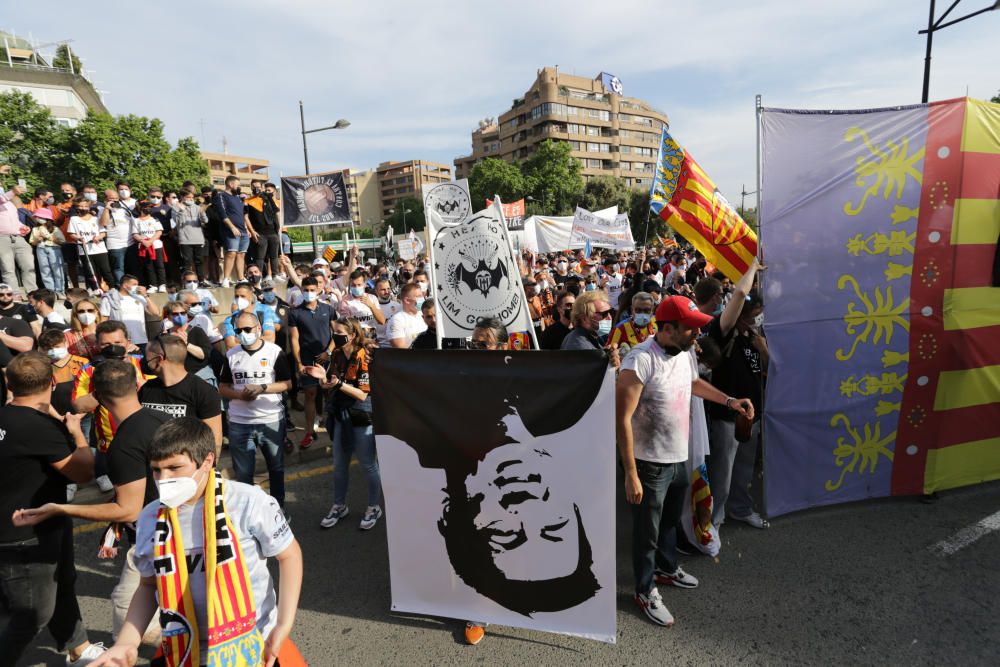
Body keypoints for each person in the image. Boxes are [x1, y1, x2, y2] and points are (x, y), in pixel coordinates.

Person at [90, 418, 303, 667]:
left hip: (252, 644)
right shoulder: (150, 517)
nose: (163, 479)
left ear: (207, 462)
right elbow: (149, 585)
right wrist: (126, 642)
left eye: (175, 467)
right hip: (185, 651)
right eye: (156, 470)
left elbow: (289, 555)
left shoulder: (247, 502)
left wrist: (283, 624)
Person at [616, 295, 754, 627]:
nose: (696, 335)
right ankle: (644, 590)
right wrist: (631, 473)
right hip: (648, 463)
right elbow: (621, 419)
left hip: (678, 456)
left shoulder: (685, 353)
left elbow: (692, 384)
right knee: (646, 532)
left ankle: (666, 569)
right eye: (690, 328)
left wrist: (729, 400)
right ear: (667, 328)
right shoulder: (639, 361)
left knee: (668, 522)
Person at [17, 359, 170, 648]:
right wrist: (74, 432)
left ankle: (187, 646)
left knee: (126, 616)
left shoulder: (123, 445)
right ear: (137, 385)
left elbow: (128, 509)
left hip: (156, 540)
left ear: (97, 397)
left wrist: (61, 508)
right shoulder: (158, 419)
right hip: (177, 531)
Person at [1, 353, 104, 666]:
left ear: (9, 383)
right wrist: (76, 434)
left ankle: (79, 647)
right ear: (52, 382)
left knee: (63, 581)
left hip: (40, 523)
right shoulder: (42, 428)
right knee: (31, 614)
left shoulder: (9, 417)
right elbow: (82, 473)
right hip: (28, 534)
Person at [303, 318, 382, 531]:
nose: (334, 336)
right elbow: (331, 383)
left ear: (352, 334)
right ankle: (339, 505)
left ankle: (374, 506)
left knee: (367, 464)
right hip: (340, 415)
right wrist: (323, 379)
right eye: (333, 331)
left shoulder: (363, 356)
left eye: (338, 332)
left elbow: (362, 395)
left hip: (361, 416)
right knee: (339, 464)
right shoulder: (337, 355)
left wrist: (337, 383)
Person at [219, 312, 293, 511]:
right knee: (243, 475)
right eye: (238, 330)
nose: (243, 334)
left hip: (270, 420)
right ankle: (249, 513)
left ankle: (278, 509)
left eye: (247, 329)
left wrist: (262, 388)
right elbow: (223, 387)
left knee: (276, 469)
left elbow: (287, 384)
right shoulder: (231, 354)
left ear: (259, 329)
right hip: (239, 423)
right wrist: (239, 395)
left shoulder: (274, 351)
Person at [72, 320, 149, 493]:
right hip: (111, 443)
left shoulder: (144, 362)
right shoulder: (89, 370)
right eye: (106, 343)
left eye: (117, 343)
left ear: (127, 342)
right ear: (98, 345)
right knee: (123, 491)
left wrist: (131, 373)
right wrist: (105, 387)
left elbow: (156, 393)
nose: (112, 347)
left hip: (147, 436)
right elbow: (79, 405)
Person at [140, 335, 223, 453]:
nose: (144, 362)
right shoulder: (146, 389)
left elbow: (214, 438)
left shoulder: (203, 391)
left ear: (159, 359)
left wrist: (210, 469)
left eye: (146, 357)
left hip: (188, 467)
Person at [288, 277, 337, 450]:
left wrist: (329, 352)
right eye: (305, 289)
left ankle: (334, 428)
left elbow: (337, 333)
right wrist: (299, 363)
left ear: (318, 290)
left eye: (311, 289)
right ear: (301, 290)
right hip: (308, 360)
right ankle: (309, 432)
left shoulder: (329, 309)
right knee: (310, 394)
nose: (308, 293)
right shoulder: (295, 313)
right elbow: (295, 339)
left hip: (328, 359)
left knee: (331, 392)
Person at [66, 194, 114, 293]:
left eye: (85, 206)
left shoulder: (95, 219)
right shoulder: (74, 219)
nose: (83, 208)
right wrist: (78, 238)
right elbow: (72, 234)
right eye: (81, 206)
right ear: (77, 207)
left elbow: (103, 232)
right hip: (85, 249)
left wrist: (98, 237)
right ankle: (95, 288)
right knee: (90, 271)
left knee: (106, 270)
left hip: (99, 249)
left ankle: (112, 288)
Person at [560, 290, 619, 368]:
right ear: (584, 318)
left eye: (610, 312)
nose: (609, 317)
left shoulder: (591, 335)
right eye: (604, 314)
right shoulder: (579, 346)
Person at [99, 275, 161, 349]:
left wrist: (145, 295)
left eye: (137, 284)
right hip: (119, 341)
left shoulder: (140, 297)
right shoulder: (110, 298)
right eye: (134, 285)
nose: (137, 287)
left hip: (141, 340)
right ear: (125, 285)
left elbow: (155, 312)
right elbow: (103, 320)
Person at [160, 301, 213, 381]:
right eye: (175, 314)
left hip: (200, 376)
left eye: (183, 313)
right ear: (169, 316)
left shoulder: (196, 331)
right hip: (176, 378)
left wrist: (186, 344)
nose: (180, 316)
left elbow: (204, 355)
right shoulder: (164, 336)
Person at [0, 176, 36, 293]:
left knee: (29, 266)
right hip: (2, 239)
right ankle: (14, 295)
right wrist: (13, 192)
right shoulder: (4, 199)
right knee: (8, 269)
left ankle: (32, 293)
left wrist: (22, 227)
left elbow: (15, 220)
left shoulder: (10, 204)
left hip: (18, 238)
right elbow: (2, 199)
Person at [215, 175, 250, 287]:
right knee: (231, 253)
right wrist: (232, 227)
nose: (239, 187)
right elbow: (222, 213)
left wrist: (247, 228)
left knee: (241, 255)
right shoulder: (221, 196)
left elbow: (242, 215)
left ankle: (240, 278)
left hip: (243, 231)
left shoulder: (238, 198)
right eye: (237, 184)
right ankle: (226, 279)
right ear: (230, 184)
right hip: (231, 230)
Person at [222, 282, 278, 349]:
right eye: (236, 296)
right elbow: (230, 346)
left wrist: (240, 341)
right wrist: (257, 340)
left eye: (243, 296)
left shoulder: (265, 310)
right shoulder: (230, 320)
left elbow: (270, 338)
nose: (239, 299)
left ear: (251, 296)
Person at [244, 181, 281, 279]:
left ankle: (275, 274)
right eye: (254, 187)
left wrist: (279, 228)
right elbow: (246, 217)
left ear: (262, 187)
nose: (257, 189)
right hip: (260, 234)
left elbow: (276, 212)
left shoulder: (268, 198)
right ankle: (258, 277)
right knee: (260, 257)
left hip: (273, 232)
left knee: (274, 256)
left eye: (259, 187)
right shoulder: (247, 201)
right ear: (251, 187)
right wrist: (252, 231)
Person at [171, 187, 208, 280]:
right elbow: (177, 222)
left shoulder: (197, 207)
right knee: (187, 262)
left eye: (192, 197)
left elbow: (206, 221)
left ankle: (201, 280)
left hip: (198, 239)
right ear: (182, 197)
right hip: (185, 240)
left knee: (199, 261)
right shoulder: (175, 207)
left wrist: (202, 212)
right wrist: (181, 211)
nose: (191, 199)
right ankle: (187, 281)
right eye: (188, 197)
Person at [27, 207, 66, 293]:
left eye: (39, 217)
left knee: (57, 270)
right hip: (40, 249)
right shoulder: (35, 229)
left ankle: (60, 290)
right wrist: (38, 239)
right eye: (37, 217)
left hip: (53, 249)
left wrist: (48, 237)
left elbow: (62, 241)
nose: (38, 219)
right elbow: (32, 242)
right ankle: (50, 290)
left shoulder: (55, 229)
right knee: (44, 270)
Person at [130, 201, 166, 292]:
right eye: (146, 207)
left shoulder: (155, 219)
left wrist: (150, 240)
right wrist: (143, 241)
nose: (148, 209)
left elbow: (159, 231)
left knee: (159, 265)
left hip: (156, 245)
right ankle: (153, 285)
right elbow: (135, 234)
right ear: (140, 208)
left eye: (150, 207)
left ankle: (162, 284)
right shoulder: (136, 221)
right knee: (149, 266)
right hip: (144, 247)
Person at [337, 269, 385, 335]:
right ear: (350, 285)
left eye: (359, 285)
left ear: (364, 284)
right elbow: (348, 326)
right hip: (356, 337)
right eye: (353, 285)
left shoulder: (372, 298)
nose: (356, 287)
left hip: (372, 336)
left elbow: (382, 321)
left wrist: (371, 305)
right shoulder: (345, 302)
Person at [386, 283, 427, 348]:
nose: (422, 299)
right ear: (407, 300)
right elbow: (401, 349)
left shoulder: (425, 315)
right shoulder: (397, 320)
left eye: (422, 296)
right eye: (419, 296)